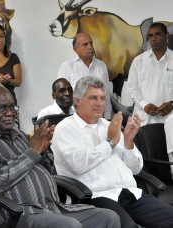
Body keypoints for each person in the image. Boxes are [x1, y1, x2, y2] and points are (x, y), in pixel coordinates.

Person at [0, 83, 120, 228]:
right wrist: (33, 152)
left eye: (12, 107)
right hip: (17, 215)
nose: (9, 113)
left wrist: (44, 151)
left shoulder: (17, 134)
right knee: (70, 225)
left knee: (108, 218)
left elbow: (48, 170)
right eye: (1, 108)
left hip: (52, 207)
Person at [51, 76, 173, 228]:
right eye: (93, 98)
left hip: (130, 193)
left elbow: (136, 169)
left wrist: (128, 142)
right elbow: (77, 164)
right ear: (77, 100)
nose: (100, 103)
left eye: (102, 98)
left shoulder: (109, 126)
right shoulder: (65, 129)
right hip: (97, 196)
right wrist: (110, 143)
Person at [127, 22, 173, 126]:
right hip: (143, 119)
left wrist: (172, 104)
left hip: (169, 120)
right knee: (142, 143)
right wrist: (144, 104)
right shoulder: (139, 61)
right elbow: (132, 87)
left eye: (158, 34)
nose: (154, 38)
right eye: (151, 35)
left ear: (166, 36)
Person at [57, 33, 112, 119]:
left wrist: (108, 118)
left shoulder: (101, 66)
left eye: (91, 43)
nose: (90, 47)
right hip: (75, 119)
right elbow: (60, 95)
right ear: (75, 49)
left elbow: (107, 94)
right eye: (85, 44)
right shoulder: (67, 66)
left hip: (97, 119)